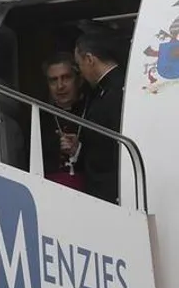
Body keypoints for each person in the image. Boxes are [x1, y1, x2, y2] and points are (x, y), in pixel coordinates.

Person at [73, 33, 126, 204]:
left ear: (89, 59)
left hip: (112, 190)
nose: (80, 72)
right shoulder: (107, 89)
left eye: (79, 65)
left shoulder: (116, 91)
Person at [39, 52, 88, 191]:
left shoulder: (91, 110)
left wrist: (78, 149)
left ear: (78, 79)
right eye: (53, 80)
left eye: (66, 78)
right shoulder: (41, 117)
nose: (60, 86)